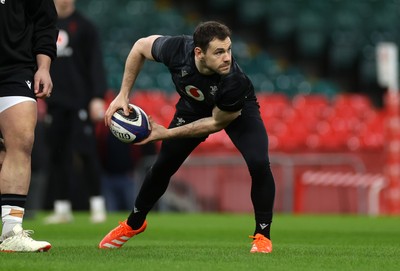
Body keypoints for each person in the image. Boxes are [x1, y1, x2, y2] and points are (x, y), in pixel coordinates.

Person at [98, 21, 276, 253]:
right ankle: (134, 224)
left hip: (236, 112)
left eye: (229, 49)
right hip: (193, 107)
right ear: (198, 53)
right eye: (219, 52)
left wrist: (166, 133)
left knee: (259, 163)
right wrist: (123, 94)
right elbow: (140, 47)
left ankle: (263, 235)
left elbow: (215, 123)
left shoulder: (234, 80)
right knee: (162, 167)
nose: (227, 58)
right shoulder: (177, 49)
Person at [0, 0, 58, 252]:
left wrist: (44, 67)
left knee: (22, 141)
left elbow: (45, 22)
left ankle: (11, 232)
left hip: (16, 68)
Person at [44, 0, 107, 224]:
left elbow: (95, 62)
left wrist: (97, 97)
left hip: (80, 100)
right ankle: (62, 209)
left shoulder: (85, 26)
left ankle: (97, 205)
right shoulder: (44, 23)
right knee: (58, 155)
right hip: (55, 101)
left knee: (87, 152)